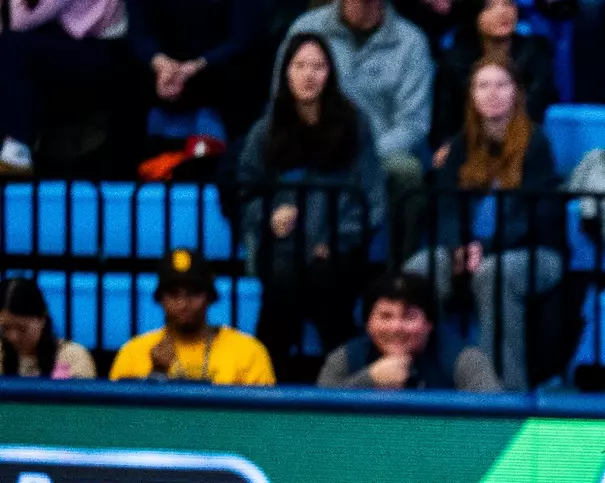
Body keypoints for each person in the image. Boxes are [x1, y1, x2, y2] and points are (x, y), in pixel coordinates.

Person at [406, 60, 562, 392]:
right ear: (472, 95)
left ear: (516, 93)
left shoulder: (536, 144)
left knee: (493, 274)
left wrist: (485, 248)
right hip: (469, 249)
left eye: (501, 85)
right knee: (420, 269)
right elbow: (446, 206)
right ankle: (415, 377)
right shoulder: (461, 145)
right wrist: (455, 247)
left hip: (535, 252)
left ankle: (502, 390)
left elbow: (534, 216)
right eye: (482, 86)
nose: (492, 94)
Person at [239, 33, 385, 384]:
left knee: (324, 285)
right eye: (300, 65)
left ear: (330, 73)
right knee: (284, 286)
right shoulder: (266, 130)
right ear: (285, 73)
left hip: (340, 250)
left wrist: (336, 241)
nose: (308, 75)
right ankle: (266, 391)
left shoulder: (354, 125)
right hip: (283, 252)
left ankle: (345, 391)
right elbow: (244, 193)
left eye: (318, 66)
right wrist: (268, 214)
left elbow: (371, 198)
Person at [276, 0, 434, 248]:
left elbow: (414, 123)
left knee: (406, 171)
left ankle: (402, 277)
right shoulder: (307, 28)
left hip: (381, 152)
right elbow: (282, 96)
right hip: (314, 144)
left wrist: (363, 153)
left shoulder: (411, 41)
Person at [0, 0, 133, 178]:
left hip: (102, 51)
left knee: (10, 46)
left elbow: (20, 19)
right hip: (61, 43)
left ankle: (17, 148)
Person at [109, 250, 276, 385]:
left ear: (210, 297)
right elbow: (120, 420)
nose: (183, 304)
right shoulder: (133, 352)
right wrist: (155, 376)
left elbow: (263, 421)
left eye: (194, 293)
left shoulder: (248, 352)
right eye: (174, 294)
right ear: (160, 299)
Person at [317, 272, 504, 391]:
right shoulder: (344, 359)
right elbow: (317, 421)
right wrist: (369, 379)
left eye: (408, 317)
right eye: (385, 316)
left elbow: (496, 421)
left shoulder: (465, 360)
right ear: (368, 324)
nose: (396, 327)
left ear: (429, 323)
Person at [126, 0, 264, 140]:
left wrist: (198, 65)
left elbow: (244, 37)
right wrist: (159, 61)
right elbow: (138, 32)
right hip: (160, 94)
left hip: (226, 92)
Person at [432, 0, 557, 148]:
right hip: (466, 145)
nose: (503, 12)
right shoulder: (454, 59)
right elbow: (443, 121)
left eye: (508, 3)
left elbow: (537, 104)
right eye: (489, 6)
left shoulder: (536, 51)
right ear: (473, 12)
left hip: (522, 142)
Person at [0, 277, 98, 380]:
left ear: (42, 319)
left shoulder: (73, 357)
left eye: (22, 329)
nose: (13, 337)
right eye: (5, 328)